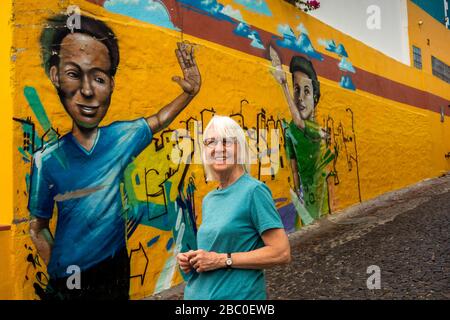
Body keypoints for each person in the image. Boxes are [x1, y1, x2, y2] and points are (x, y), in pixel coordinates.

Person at [28, 14, 201, 300]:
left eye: (98, 78)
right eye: (73, 74)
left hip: (115, 269)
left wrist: (189, 94)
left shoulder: (121, 137)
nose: (87, 91)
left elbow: (158, 120)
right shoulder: (46, 161)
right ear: (55, 75)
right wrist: (61, 273)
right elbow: (38, 228)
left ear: (111, 84)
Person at [176, 116, 291, 300]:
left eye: (226, 142)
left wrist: (221, 260)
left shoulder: (254, 191)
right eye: (211, 142)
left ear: (240, 148)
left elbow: (281, 252)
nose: (219, 149)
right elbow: (218, 246)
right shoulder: (209, 199)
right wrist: (194, 259)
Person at [270, 48, 334, 225]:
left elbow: (328, 175)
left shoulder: (317, 129)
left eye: (306, 91)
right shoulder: (291, 128)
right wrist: (298, 195)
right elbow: (293, 165)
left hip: (322, 205)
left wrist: (283, 84)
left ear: (315, 96)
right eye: (296, 89)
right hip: (304, 206)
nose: (300, 97)